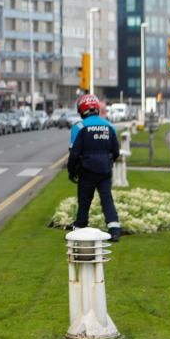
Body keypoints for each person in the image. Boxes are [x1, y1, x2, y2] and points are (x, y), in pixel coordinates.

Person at [67, 94, 121, 241]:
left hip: (87, 171)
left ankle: (79, 228)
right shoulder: (109, 126)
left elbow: (74, 154)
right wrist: (108, 164)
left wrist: (72, 172)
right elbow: (116, 151)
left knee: (84, 201)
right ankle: (114, 229)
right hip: (104, 170)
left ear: (82, 110)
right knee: (107, 199)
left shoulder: (79, 127)